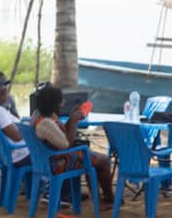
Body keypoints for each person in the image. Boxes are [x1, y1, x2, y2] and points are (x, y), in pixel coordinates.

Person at [31, 82, 115, 210]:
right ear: (54, 103)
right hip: (57, 163)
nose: (63, 103)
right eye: (61, 100)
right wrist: (74, 122)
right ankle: (106, 199)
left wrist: (71, 119)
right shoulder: (46, 123)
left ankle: (103, 200)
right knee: (101, 160)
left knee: (91, 157)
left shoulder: (41, 116)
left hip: (50, 158)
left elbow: (61, 135)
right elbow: (66, 145)